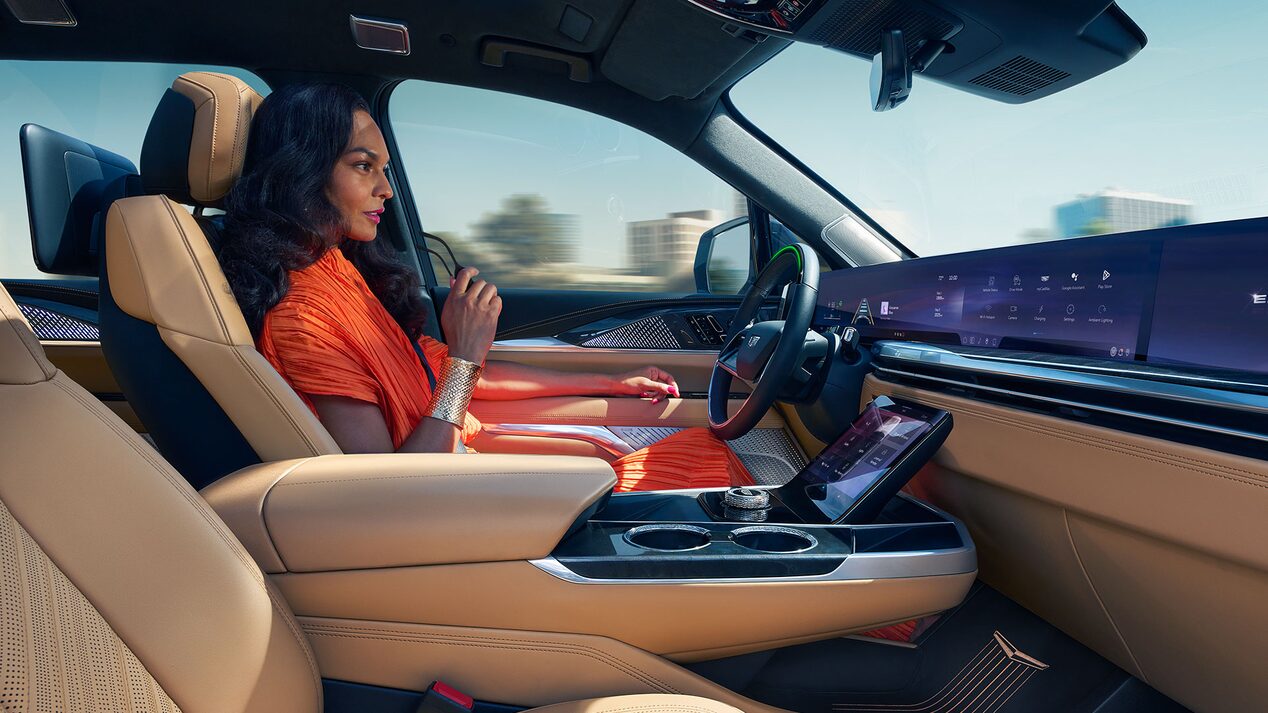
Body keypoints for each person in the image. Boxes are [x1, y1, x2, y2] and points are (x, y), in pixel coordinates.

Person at [217, 83, 753, 492]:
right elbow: (384, 488)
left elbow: (446, 376)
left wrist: (613, 377)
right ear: (303, 171)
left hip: (457, 465)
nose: (385, 189)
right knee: (706, 474)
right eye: (363, 167)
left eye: (383, 168)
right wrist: (465, 358)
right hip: (442, 499)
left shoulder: (336, 272)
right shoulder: (303, 315)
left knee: (680, 455)